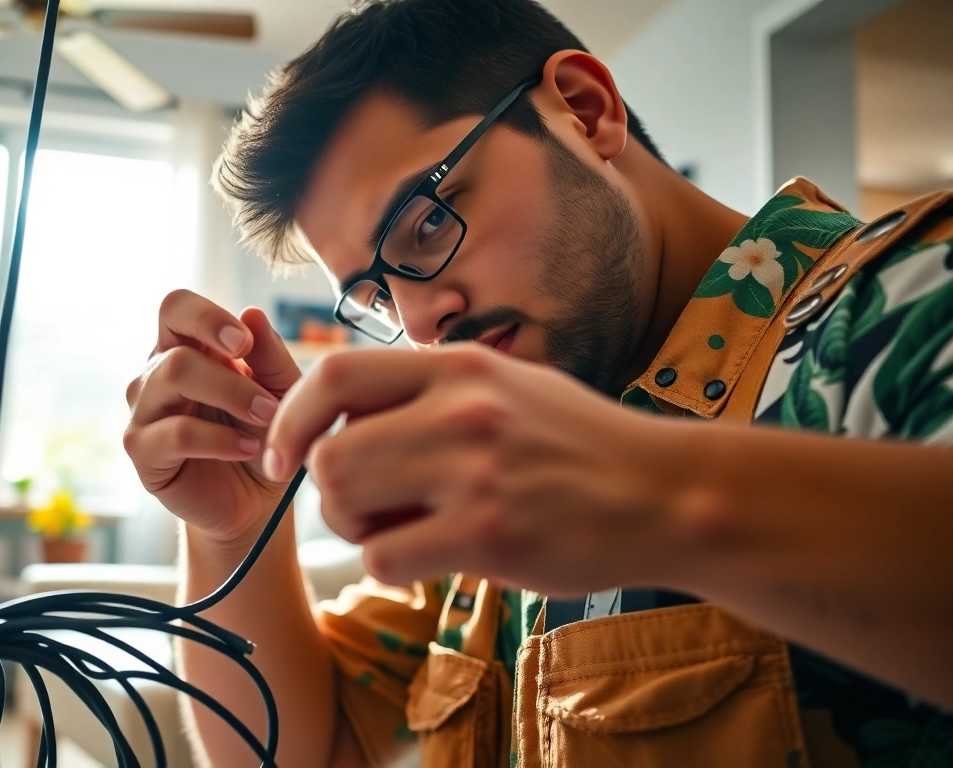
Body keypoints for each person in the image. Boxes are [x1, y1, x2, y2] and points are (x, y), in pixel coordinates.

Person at [122, 0, 953, 765]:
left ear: (585, 112)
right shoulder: (492, 481)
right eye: (377, 292)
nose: (418, 321)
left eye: (427, 222)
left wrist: (658, 496)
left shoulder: (913, 301)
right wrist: (237, 533)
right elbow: (299, 749)